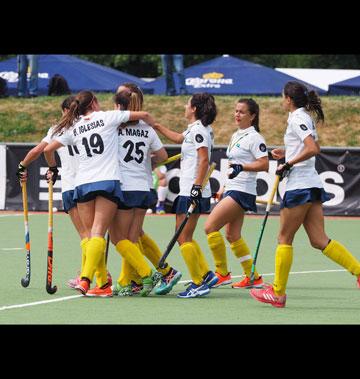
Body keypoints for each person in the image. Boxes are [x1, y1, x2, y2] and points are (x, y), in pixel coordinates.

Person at [249, 81, 360, 308]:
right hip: (311, 183)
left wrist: (288, 162)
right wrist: (287, 152)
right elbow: (305, 148)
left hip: (299, 186)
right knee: (319, 240)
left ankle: (277, 293)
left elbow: (312, 148)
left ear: (289, 99)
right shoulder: (303, 117)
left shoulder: (297, 117)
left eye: (283, 97)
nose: (282, 100)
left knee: (283, 238)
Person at [43, 90, 157, 296]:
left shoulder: (73, 127)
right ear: (94, 102)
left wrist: (53, 169)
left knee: (90, 235)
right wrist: (152, 124)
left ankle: (98, 282)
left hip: (83, 184)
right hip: (107, 182)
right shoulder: (107, 117)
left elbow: (47, 150)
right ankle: (92, 279)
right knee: (101, 233)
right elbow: (143, 115)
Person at [14, 96, 111, 290]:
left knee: (86, 235)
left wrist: (22, 166)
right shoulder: (91, 124)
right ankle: (87, 273)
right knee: (94, 233)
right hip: (92, 182)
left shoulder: (59, 129)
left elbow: (38, 151)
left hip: (71, 186)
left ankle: (99, 277)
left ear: (66, 111)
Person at [109, 84, 182, 297]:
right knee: (132, 239)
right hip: (144, 187)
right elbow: (162, 157)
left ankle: (148, 274)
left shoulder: (115, 127)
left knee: (120, 240)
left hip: (125, 187)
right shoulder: (147, 129)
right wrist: (145, 166)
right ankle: (131, 281)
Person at [153, 92, 219, 298]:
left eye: (187, 104)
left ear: (194, 109)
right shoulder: (194, 129)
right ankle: (206, 274)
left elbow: (204, 159)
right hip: (189, 189)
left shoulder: (199, 130)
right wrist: (157, 127)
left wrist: (196, 188)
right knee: (183, 235)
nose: (184, 106)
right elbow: (179, 138)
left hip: (193, 189)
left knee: (183, 237)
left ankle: (199, 282)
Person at [204, 98, 269, 289]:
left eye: (242, 112)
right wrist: (223, 187)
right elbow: (233, 167)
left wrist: (244, 166)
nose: (237, 115)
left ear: (253, 116)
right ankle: (253, 277)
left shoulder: (255, 138)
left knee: (210, 227)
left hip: (243, 191)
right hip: (233, 188)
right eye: (236, 111)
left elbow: (264, 164)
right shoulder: (236, 135)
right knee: (232, 235)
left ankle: (222, 273)